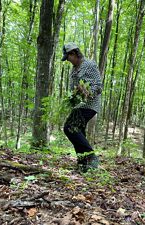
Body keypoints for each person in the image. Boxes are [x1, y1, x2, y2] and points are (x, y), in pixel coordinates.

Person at [61, 42, 102, 172]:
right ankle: (83, 163)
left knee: (69, 127)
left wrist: (88, 92)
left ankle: (91, 157)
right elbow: (73, 89)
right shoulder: (74, 70)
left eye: (68, 57)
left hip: (89, 104)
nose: (68, 60)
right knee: (79, 130)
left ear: (74, 53)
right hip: (78, 105)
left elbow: (99, 86)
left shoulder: (89, 65)